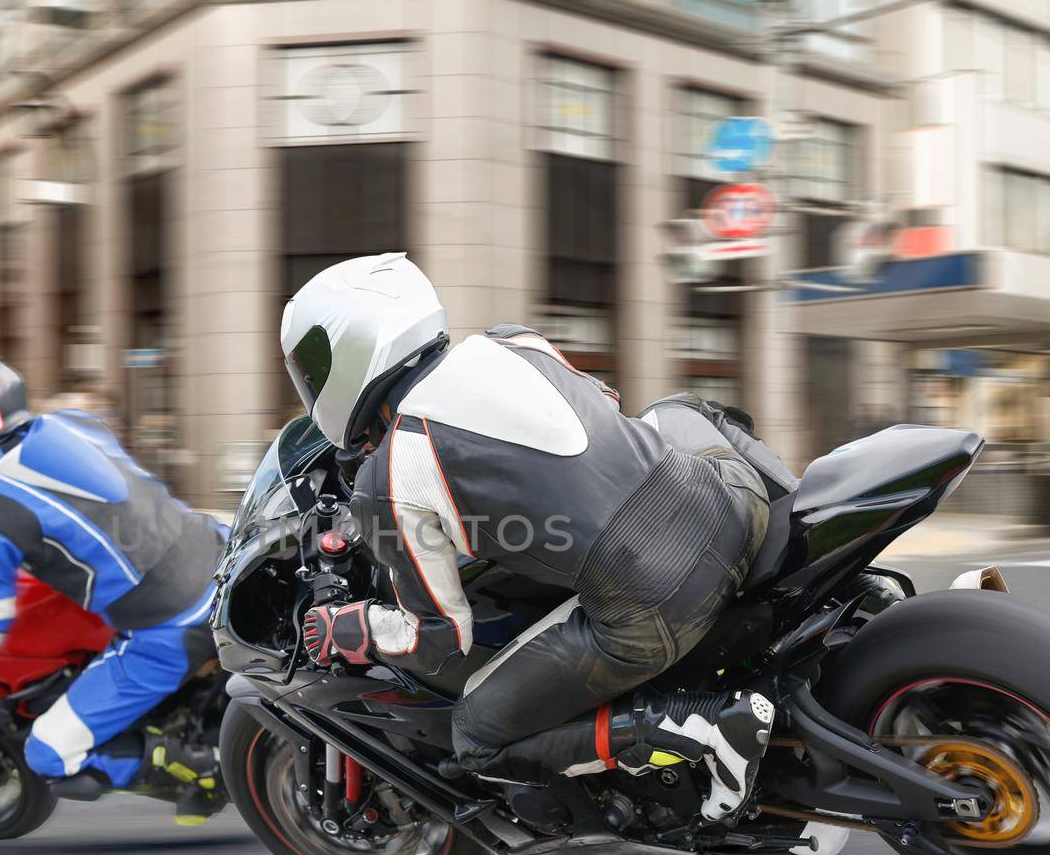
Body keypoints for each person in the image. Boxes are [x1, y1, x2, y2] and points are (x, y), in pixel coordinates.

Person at [282, 253, 776, 822]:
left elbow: (439, 636)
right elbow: (600, 422)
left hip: (657, 604)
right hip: (732, 498)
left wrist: (353, 626)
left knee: (474, 737)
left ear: (349, 354)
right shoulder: (515, 341)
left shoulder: (389, 476)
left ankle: (707, 726)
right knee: (673, 411)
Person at [0, 355, 226, 822]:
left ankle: (199, 769)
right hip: (219, 554)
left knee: (49, 754)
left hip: (171, 627)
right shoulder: (72, 423)